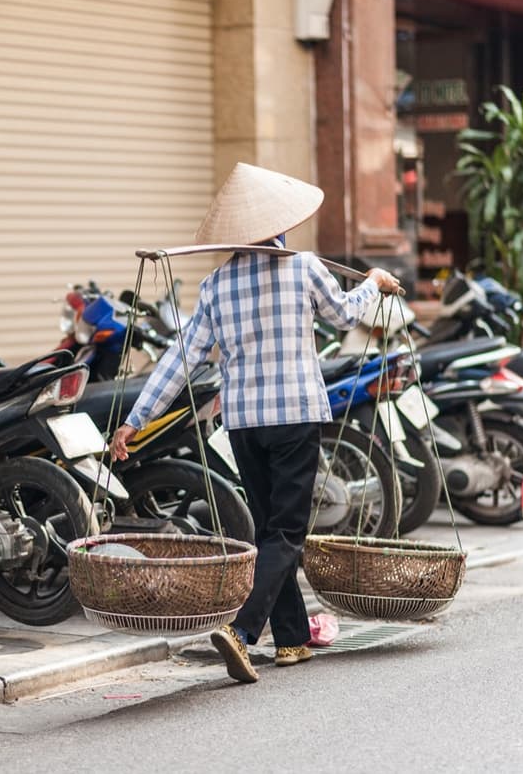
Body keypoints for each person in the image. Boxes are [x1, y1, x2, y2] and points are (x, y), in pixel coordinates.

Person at [109, 163, 400, 684]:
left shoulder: (216, 285)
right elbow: (344, 316)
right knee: (287, 534)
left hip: (245, 424)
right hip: (294, 417)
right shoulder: (304, 267)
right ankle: (242, 632)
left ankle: (290, 640)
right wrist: (374, 283)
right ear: (279, 225)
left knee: (271, 531)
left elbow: (181, 359)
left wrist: (135, 419)